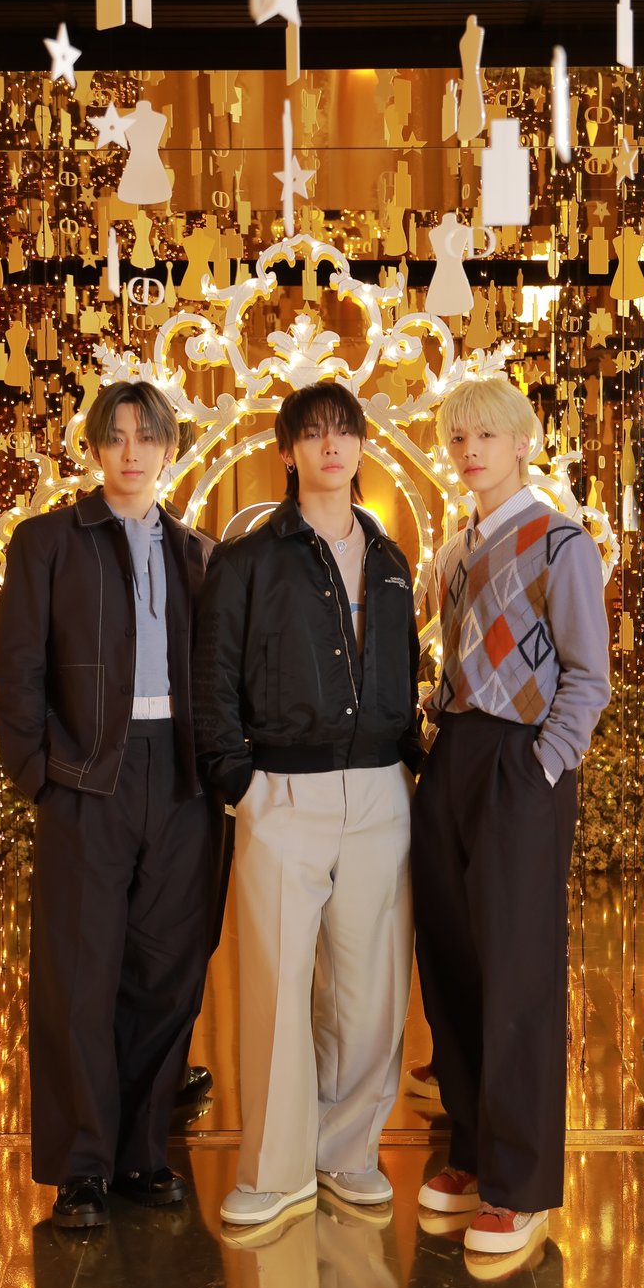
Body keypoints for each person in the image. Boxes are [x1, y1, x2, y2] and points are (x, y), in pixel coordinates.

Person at [0, 380, 223, 1229]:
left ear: (169, 450)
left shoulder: (199, 554)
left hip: (183, 781)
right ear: (93, 449)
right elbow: (16, 666)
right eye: (116, 436)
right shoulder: (49, 541)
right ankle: (81, 1168)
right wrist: (39, 774)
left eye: (147, 437)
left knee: (168, 975)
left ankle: (140, 1153)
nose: (132, 452)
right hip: (87, 778)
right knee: (80, 978)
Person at [194, 382, 422, 1229]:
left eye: (344, 432)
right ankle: (274, 1170)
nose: (331, 446)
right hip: (281, 792)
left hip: (380, 791)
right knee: (278, 989)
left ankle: (347, 1152)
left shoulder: (391, 559)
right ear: (287, 451)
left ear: (361, 446)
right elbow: (212, 679)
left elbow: (405, 671)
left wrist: (411, 766)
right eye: (314, 434)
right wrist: (241, 784)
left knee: (369, 991)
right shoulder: (247, 559)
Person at [413, 376, 610, 1258]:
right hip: (453, 756)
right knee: (452, 962)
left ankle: (520, 1183)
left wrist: (543, 764)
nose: (469, 451)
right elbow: (461, 661)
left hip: (519, 765)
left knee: (518, 971)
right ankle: (469, 1147)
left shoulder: (560, 542)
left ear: (522, 443)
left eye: (486, 436)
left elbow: (588, 676)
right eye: (459, 438)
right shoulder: (456, 551)